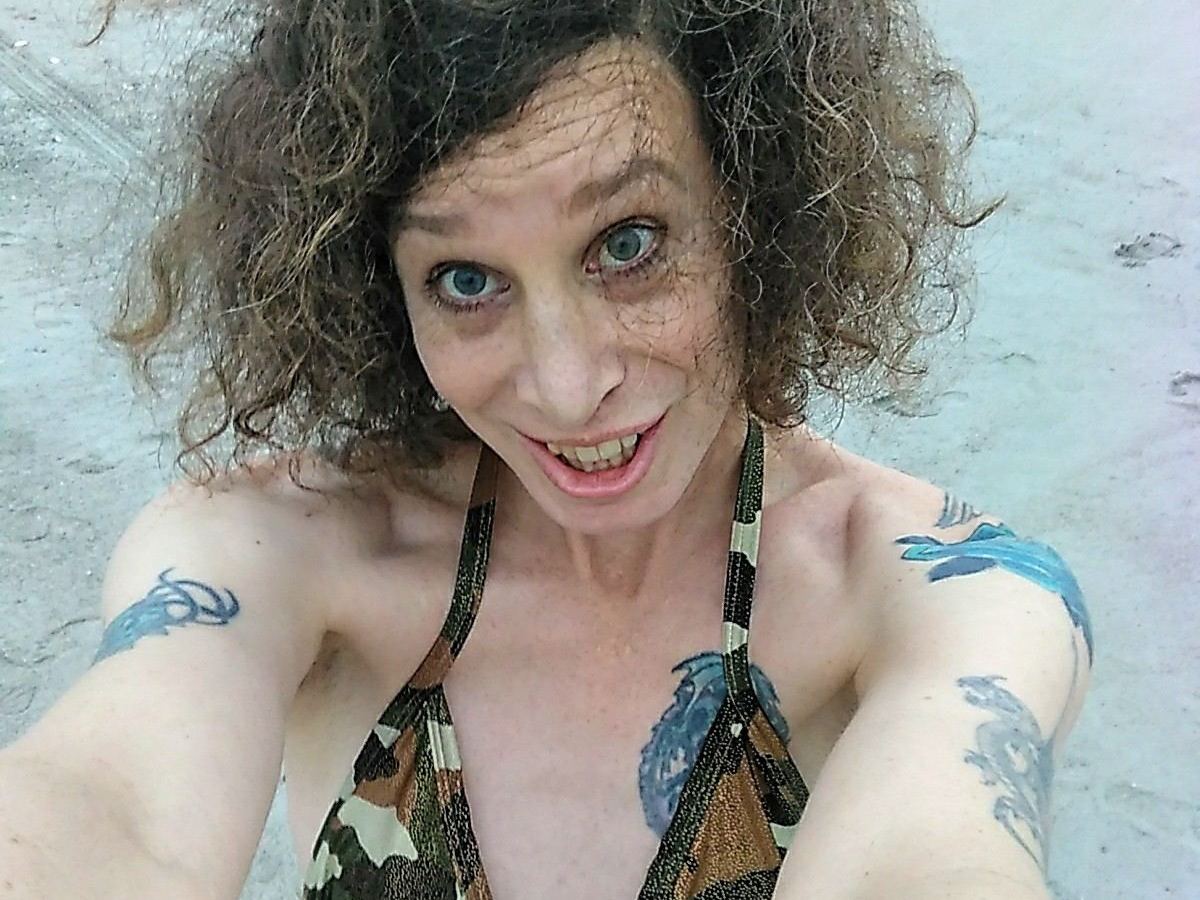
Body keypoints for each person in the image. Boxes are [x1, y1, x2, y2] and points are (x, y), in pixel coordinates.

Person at [0, 1, 1094, 898]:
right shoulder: (277, 554)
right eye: (466, 280)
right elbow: (111, 814)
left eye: (629, 243)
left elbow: (938, 856)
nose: (567, 386)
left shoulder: (939, 593)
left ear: (754, 205)